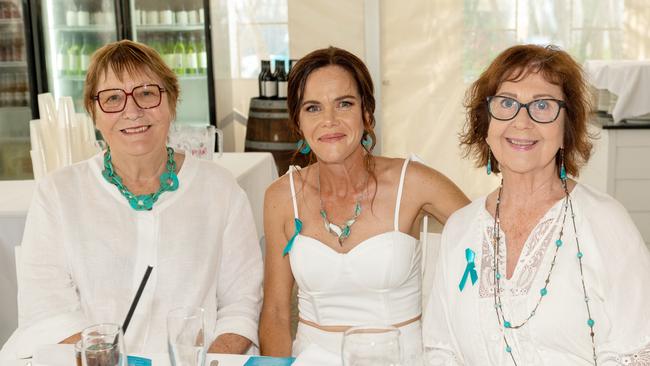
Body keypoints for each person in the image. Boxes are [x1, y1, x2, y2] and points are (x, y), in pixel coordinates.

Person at [0, 40, 262, 359]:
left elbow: (241, 303)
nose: (132, 111)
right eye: (112, 98)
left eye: (147, 93)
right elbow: (47, 308)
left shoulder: (221, 190)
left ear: (172, 101)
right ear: (93, 114)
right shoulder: (58, 192)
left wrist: (208, 362)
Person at [422, 44, 650, 365]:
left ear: (566, 126)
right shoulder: (460, 228)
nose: (522, 121)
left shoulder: (605, 220)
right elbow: (440, 349)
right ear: (486, 124)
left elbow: (638, 351)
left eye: (542, 105)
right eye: (506, 103)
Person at [259, 46, 469, 362]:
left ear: (367, 113)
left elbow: (490, 242)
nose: (329, 120)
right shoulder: (280, 197)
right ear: (298, 122)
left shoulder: (413, 182)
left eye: (344, 104)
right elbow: (275, 311)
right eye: (313, 108)